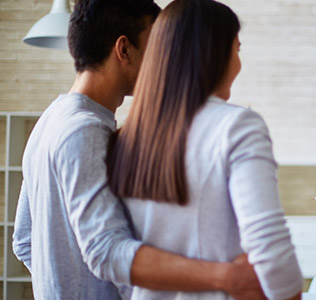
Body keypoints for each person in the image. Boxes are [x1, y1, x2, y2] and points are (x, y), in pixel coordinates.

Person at [13, 0, 265, 299]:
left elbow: (24, 241)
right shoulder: (85, 131)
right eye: (157, 47)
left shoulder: (50, 120)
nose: (166, 61)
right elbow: (106, 250)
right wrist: (225, 277)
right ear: (124, 50)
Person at [106, 0, 303, 299]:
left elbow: (116, 256)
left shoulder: (124, 137)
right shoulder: (237, 126)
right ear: (214, 54)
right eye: (237, 50)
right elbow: (269, 245)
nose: (239, 63)